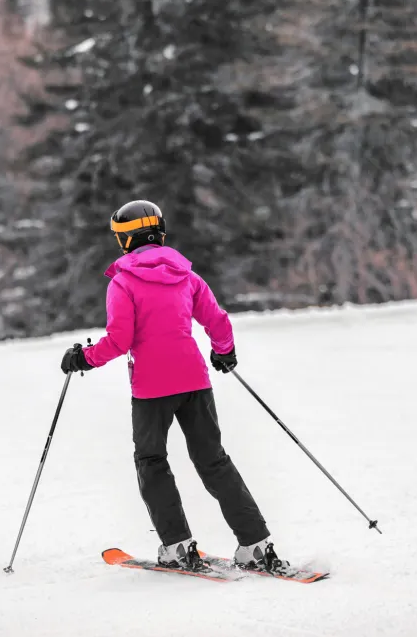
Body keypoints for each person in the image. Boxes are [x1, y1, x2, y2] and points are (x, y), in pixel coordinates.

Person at [60, 200, 288, 575]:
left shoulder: (123, 282)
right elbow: (217, 319)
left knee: (152, 461)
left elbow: (119, 340)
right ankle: (257, 545)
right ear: (160, 232)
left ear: (126, 240)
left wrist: (84, 357)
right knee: (213, 460)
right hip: (194, 380)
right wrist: (224, 352)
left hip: (151, 388)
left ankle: (178, 545)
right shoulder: (186, 275)